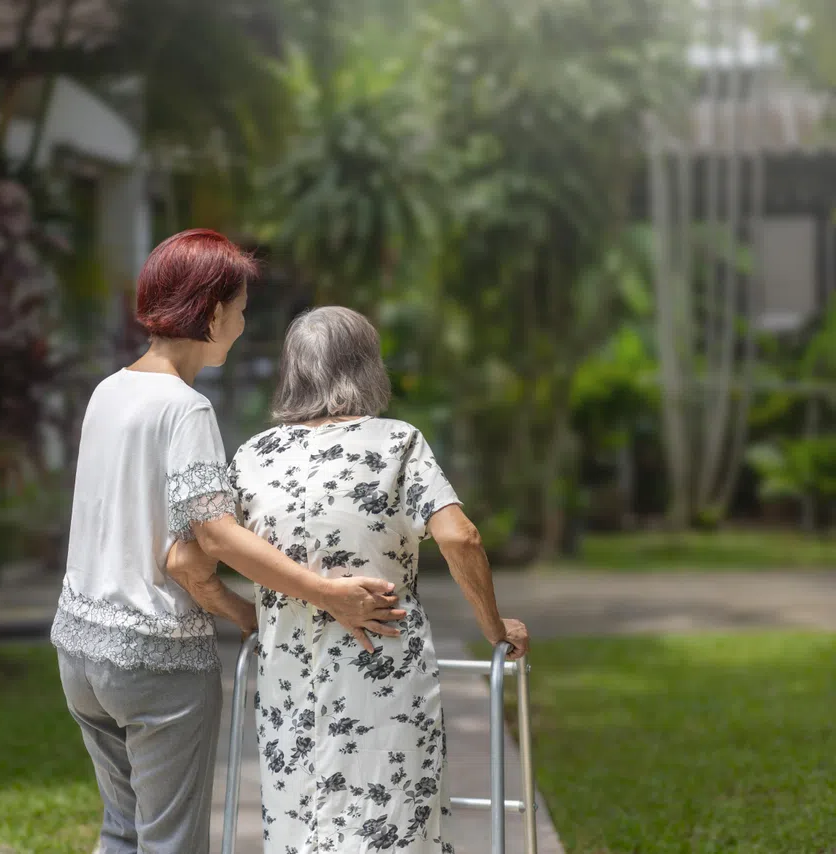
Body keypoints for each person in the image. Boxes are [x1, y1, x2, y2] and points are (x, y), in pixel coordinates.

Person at [51, 230, 406, 854]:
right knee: (170, 843)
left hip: (80, 654)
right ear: (211, 312)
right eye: (239, 311)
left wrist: (243, 613)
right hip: (153, 661)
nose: (241, 325)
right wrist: (327, 593)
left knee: (122, 832)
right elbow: (215, 535)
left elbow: (165, 547)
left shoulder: (108, 392)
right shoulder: (185, 410)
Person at [226, 306, 530, 854]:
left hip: (288, 681)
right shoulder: (396, 442)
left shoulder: (252, 456)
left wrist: (248, 616)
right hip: (383, 673)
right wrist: (494, 627)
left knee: (302, 825)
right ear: (368, 368)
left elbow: (194, 559)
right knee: (390, 823)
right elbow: (461, 537)